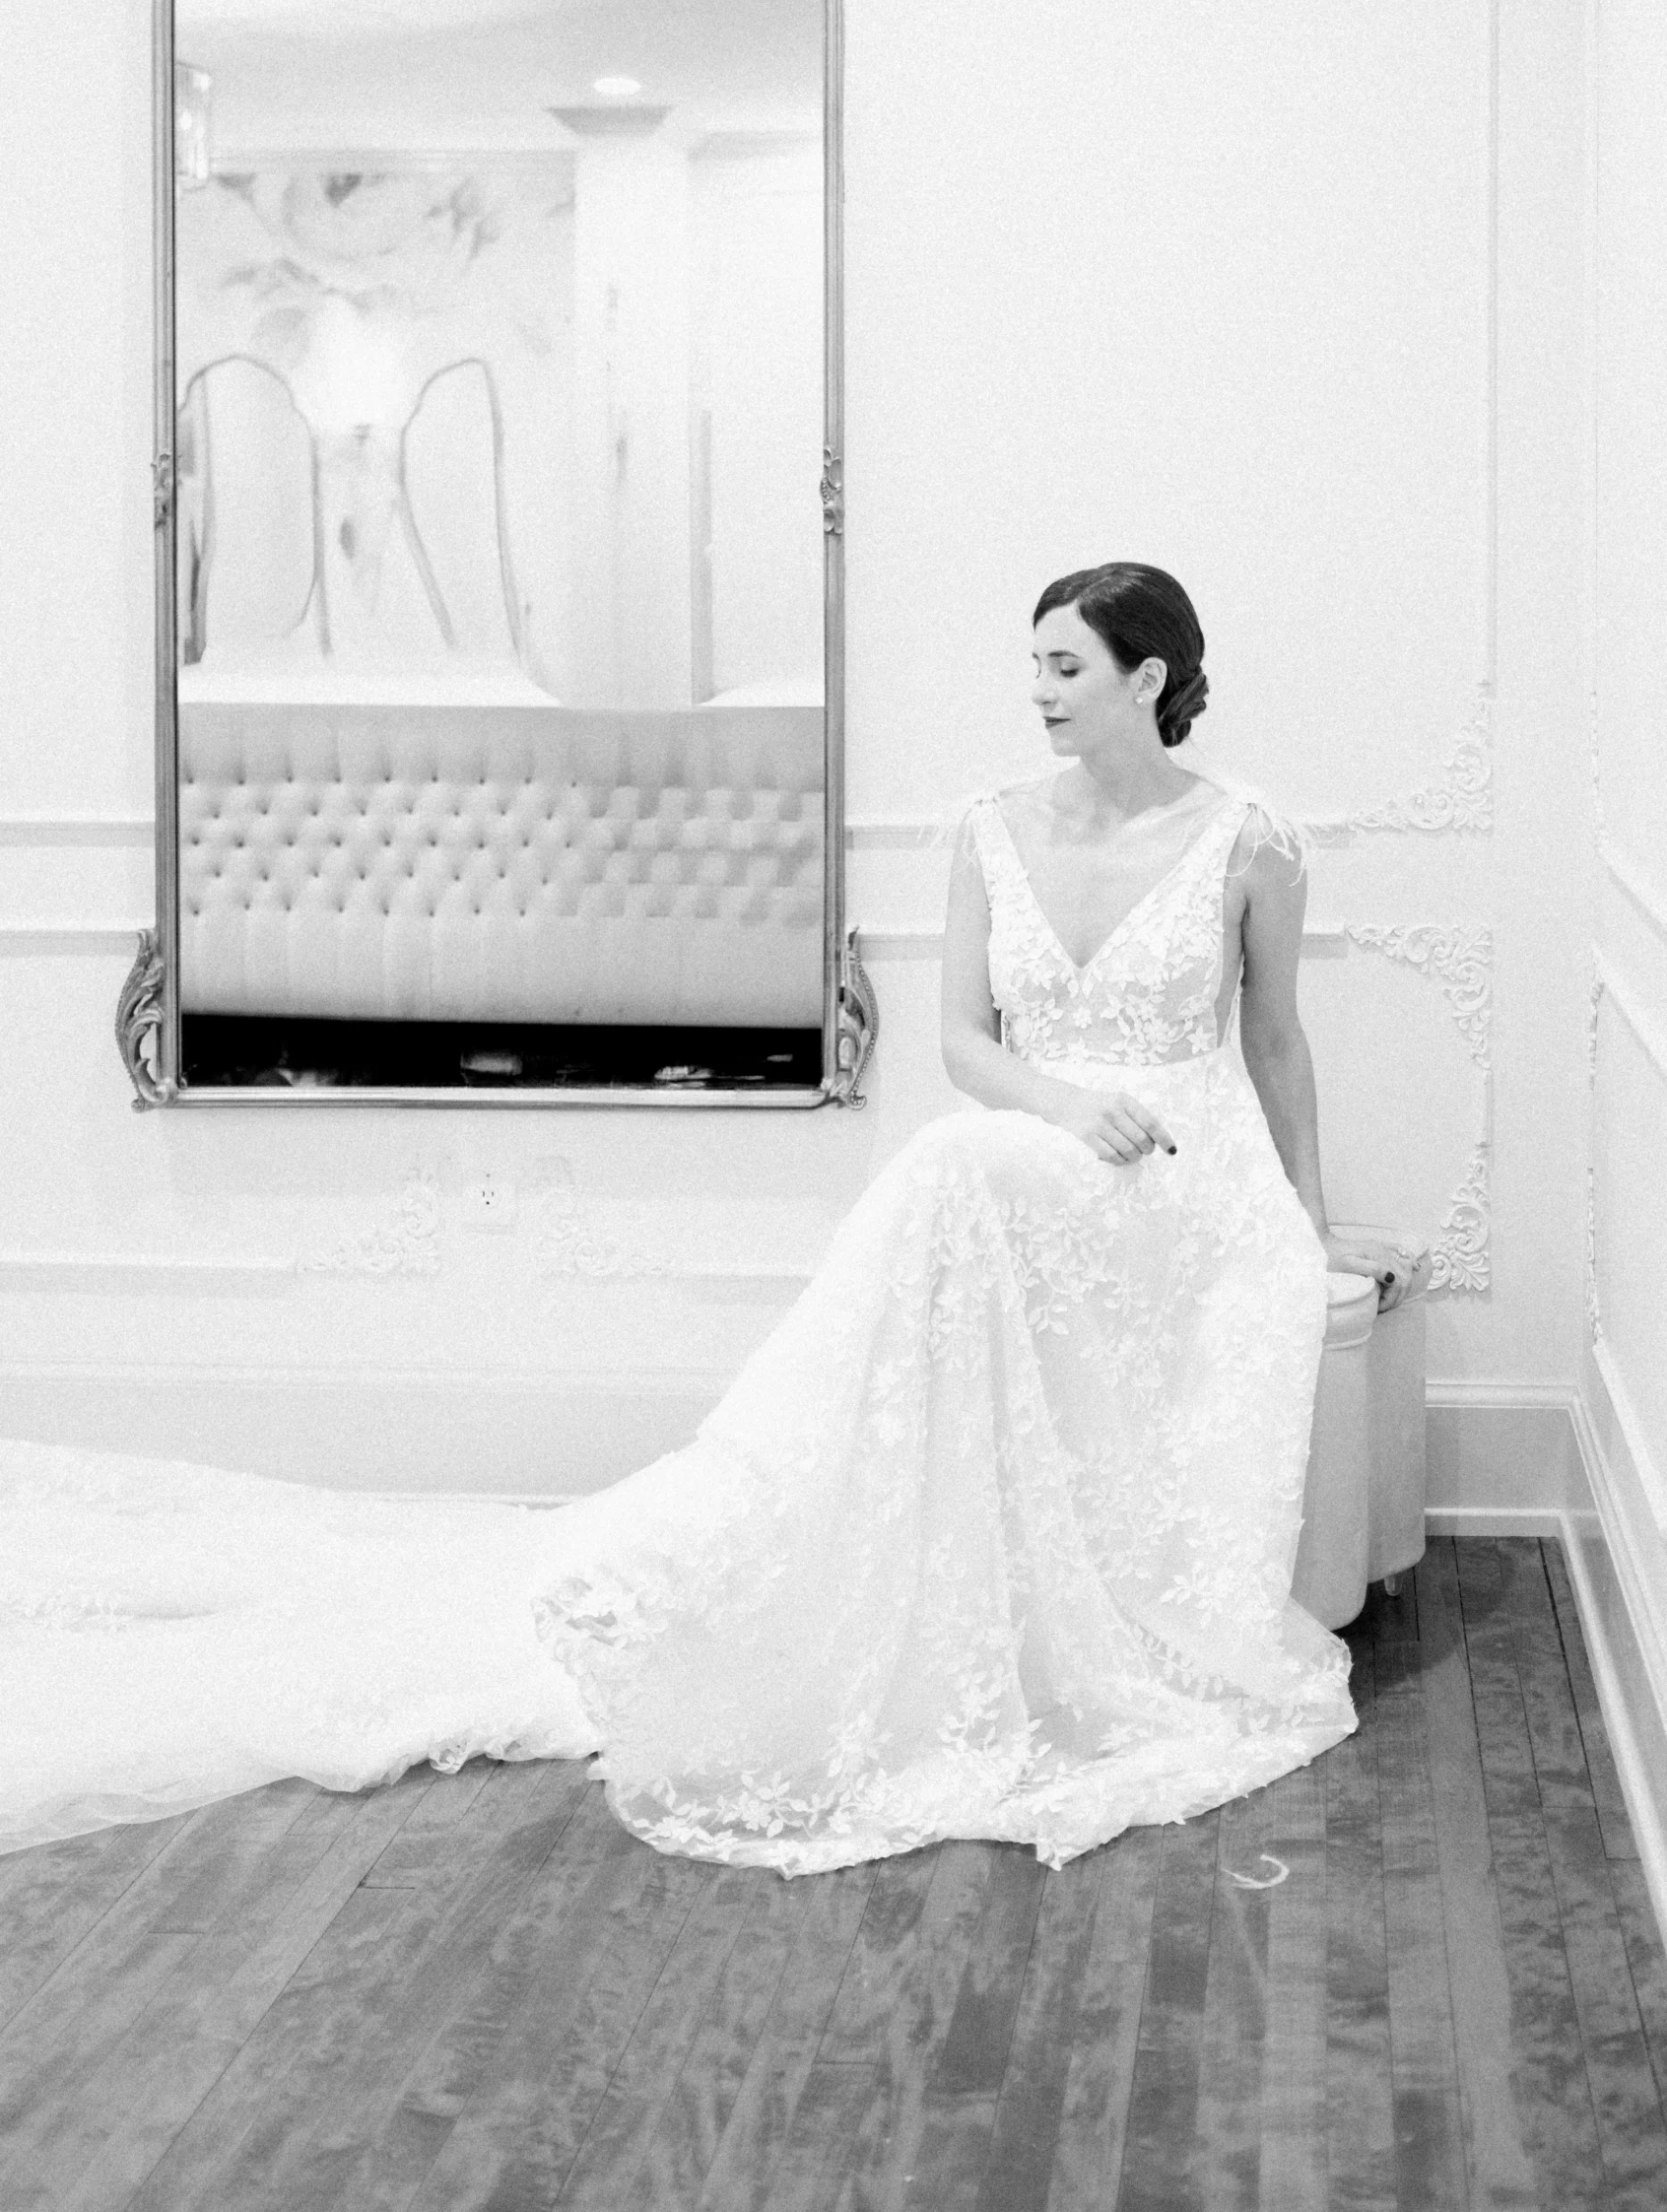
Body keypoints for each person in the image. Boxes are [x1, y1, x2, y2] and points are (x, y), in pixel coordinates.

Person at [0, 563, 1355, 1870]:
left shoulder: (1248, 841)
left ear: (1147, 679)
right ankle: (774, 1509)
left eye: (1065, 667)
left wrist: (1305, 1216)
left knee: (958, 1173)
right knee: (961, 1165)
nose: (1039, 692)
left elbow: (1276, 1042)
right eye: (1035, 665)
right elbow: (962, 1043)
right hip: (1039, 1141)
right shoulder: (992, 829)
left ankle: (837, 1495)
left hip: (1181, 1176)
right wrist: (1063, 1105)